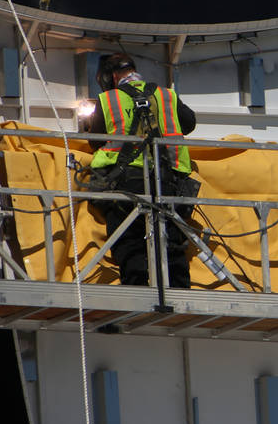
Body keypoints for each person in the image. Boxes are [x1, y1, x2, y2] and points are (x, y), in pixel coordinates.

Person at [84, 53, 198, 288]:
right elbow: (189, 124)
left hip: (127, 183)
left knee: (129, 241)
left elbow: (95, 141)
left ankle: (135, 289)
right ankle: (179, 291)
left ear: (112, 77)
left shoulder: (108, 100)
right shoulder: (166, 95)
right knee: (171, 240)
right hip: (169, 180)